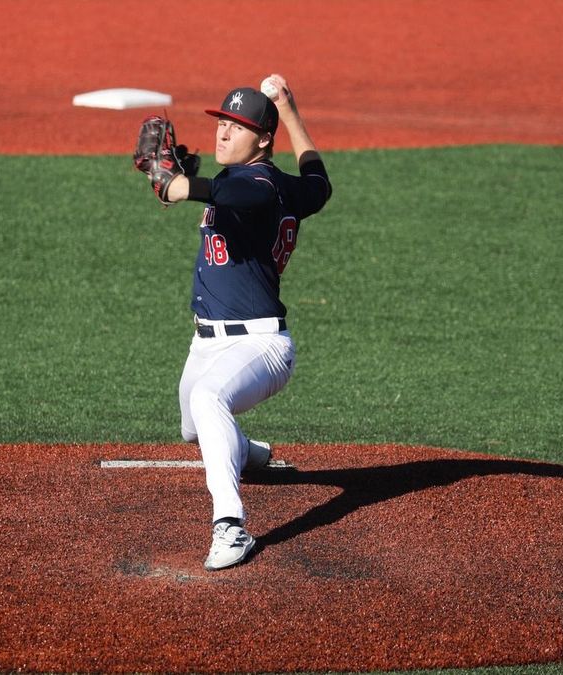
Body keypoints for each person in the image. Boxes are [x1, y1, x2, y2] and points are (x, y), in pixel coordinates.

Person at [140, 74, 332, 570]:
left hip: (261, 346)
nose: (223, 131)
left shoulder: (262, 184)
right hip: (207, 343)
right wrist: (288, 107)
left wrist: (183, 186)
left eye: (238, 125)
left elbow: (240, 197)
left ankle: (231, 527)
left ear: (262, 140)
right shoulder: (277, 184)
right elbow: (318, 184)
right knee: (193, 428)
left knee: (209, 399)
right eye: (222, 121)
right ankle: (247, 452)